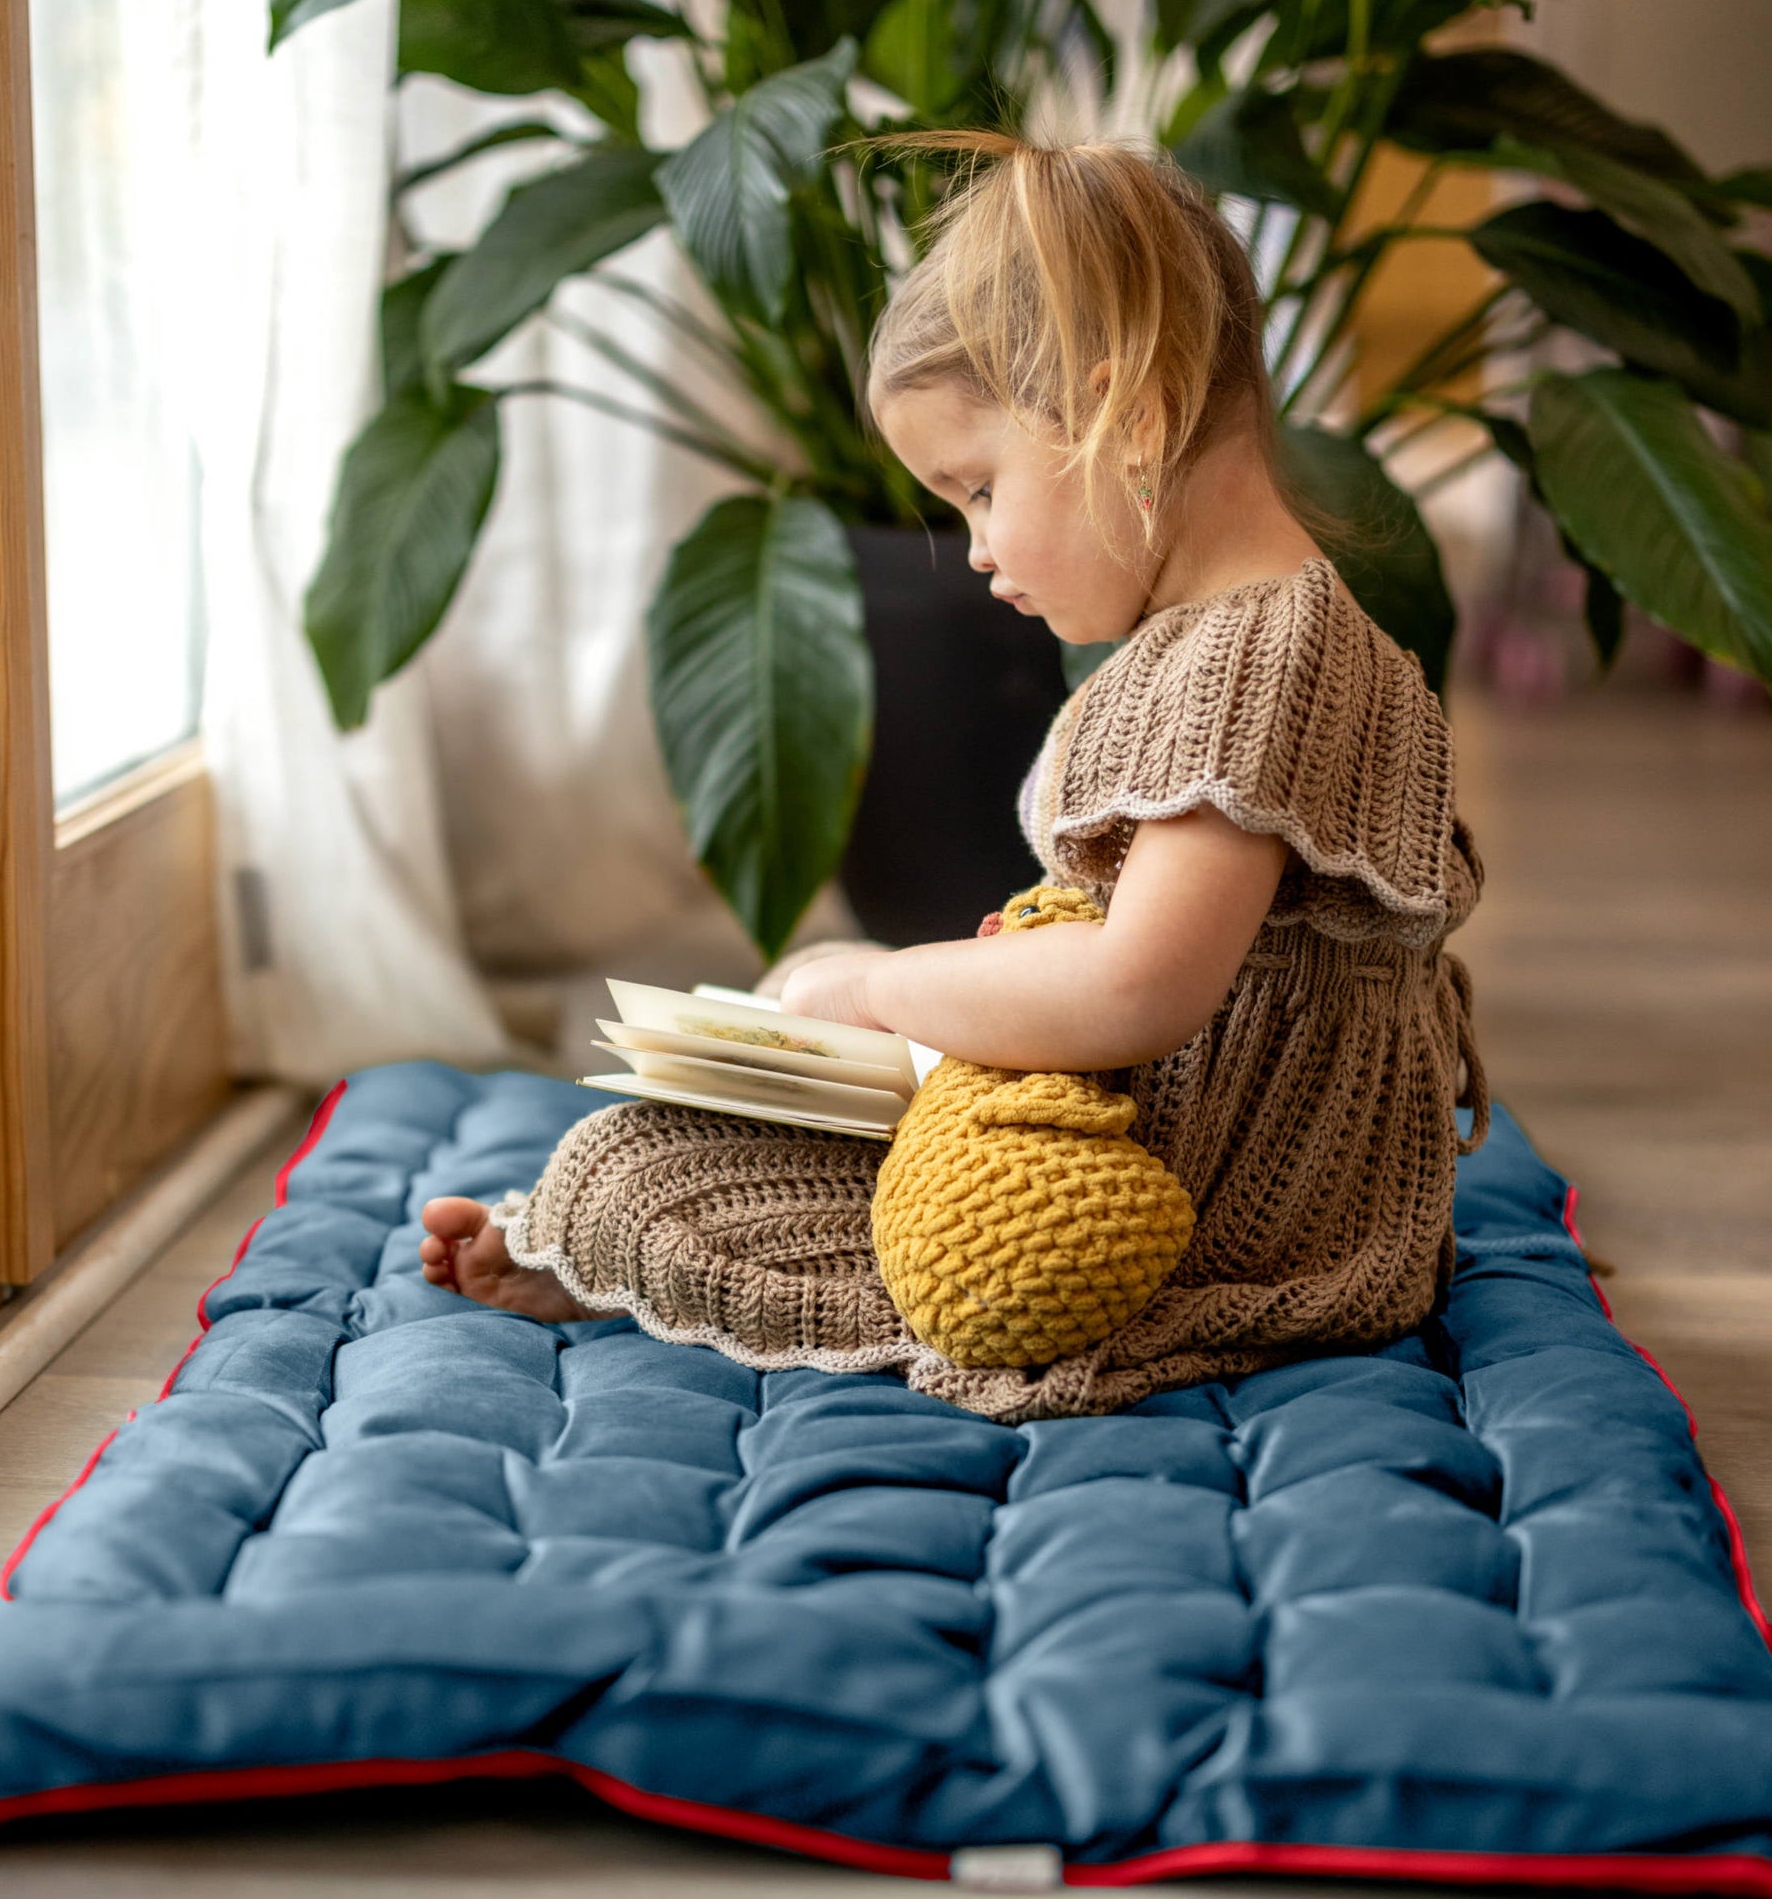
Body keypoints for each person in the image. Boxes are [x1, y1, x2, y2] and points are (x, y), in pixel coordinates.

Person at [420, 134, 1487, 1421]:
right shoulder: (1227, 638)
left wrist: (873, 984)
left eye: (980, 489)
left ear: (1127, 419)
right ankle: (605, 1235)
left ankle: (602, 1253)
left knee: (645, 1175)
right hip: (1135, 1125)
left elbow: (1137, 985)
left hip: (1212, 1200)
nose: (973, 548)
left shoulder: (1256, 662)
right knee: (704, 1128)